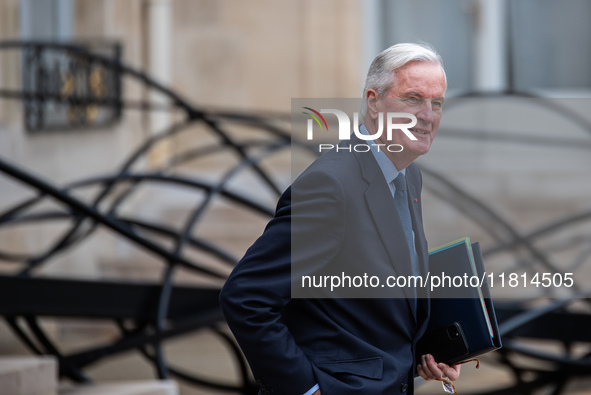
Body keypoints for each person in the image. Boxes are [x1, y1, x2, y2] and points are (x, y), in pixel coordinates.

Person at [219, 42, 460, 395]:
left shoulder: (407, 176)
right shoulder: (331, 185)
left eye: (436, 103)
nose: (427, 114)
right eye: (412, 99)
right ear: (374, 102)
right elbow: (245, 297)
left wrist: (426, 354)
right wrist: (306, 389)